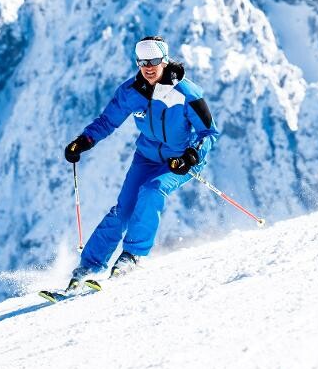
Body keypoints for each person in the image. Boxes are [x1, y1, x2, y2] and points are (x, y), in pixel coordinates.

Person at [62, 35, 219, 288]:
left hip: (181, 160)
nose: (148, 67)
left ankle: (132, 256)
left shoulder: (187, 94)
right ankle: (89, 266)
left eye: (154, 60)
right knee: (122, 210)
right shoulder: (132, 91)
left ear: (165, 60)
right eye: (142, 61)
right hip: (146, 157)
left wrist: (192, 155)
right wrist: (83, 141)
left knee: (152, 191)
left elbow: (209, 133)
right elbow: (107, 121)